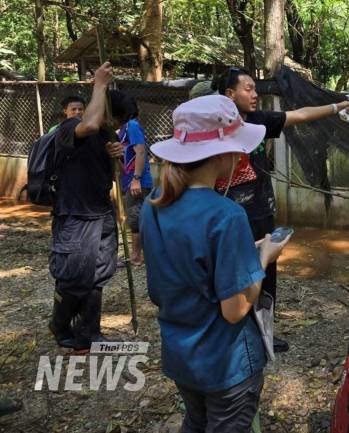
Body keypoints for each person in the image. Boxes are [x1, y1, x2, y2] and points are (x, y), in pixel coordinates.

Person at [141, 95, 289, 431]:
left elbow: (183, 262)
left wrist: (241, 252)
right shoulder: (228, 215)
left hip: (181, 355)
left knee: (196, 419)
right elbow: (235, 309)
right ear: (223, 154)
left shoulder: (153, 204)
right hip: (226, 363)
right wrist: (264, 256)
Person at [213, 67, 349, 353]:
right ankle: (234, 333)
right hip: (230, 211)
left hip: (261, 208)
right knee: (234, 270)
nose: (255, 94)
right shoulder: (214, 128)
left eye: (255, 88)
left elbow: (299, 115)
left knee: (267, 273)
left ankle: (265, 332)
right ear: (229, 94)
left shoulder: (259, 120)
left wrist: (339, 105)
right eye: (248, 89)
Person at [48, 62, 123, 351]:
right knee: (73, 276)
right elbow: (88, 124)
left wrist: (114, 154)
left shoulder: (104, 135)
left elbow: (105, 172)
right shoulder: (67, 128)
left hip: (101, 213)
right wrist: (99, 84)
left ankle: (89, 331)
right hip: (75, 214)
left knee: (98, 276)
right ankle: (60, 323)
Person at [114, 93, 152, 266]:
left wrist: (136, 179)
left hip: (137, 181)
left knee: (136, 220)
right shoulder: (123, 129)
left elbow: (140, 151)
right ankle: (138, 255)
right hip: (129, 179)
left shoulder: (132, 126)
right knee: (134, 218)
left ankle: (136, 257)